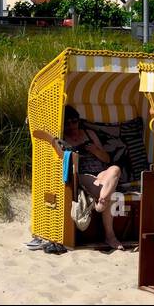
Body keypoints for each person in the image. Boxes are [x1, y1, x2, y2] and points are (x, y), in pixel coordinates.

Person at [58, 105, 126, 251]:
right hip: (83, 174)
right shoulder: (63, 138)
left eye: (74, 121)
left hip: (101, 172)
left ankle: (102, 201)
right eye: (67, 123)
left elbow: (107, 159)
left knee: (115, 169)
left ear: (78, 121)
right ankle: (110, 236)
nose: (71, 126)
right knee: (109, 190)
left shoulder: (89, 134)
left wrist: (95, 150)